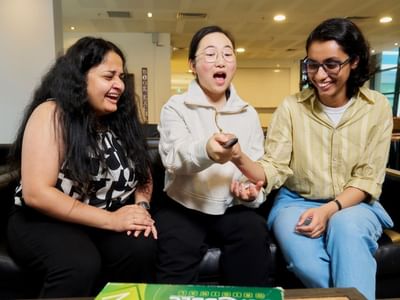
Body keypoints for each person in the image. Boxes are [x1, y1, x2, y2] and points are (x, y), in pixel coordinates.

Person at [230, 18, 393, 299]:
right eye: (312, 64)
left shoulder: (377, 107)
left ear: (353, 62)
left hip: (355, 204)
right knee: (304, 260)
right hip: (296, 202)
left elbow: (368, 178)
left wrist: (329, 211)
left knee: (345, 227)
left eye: (331, 64)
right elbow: (275, 165)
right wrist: (239, 159)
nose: (319, 75)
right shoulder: (291, 107)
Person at [7, 37, 157, 298]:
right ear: (80, 77)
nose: (120, 85)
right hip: (43, 220)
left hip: (97, 221)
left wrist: (141, 209)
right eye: (109, 76)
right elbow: (36, 194)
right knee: (79, 263)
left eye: (121, 77)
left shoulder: (119, 121)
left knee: (141, 247)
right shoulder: (52, 114)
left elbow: (144, 174)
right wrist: (112, 220)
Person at [156, 25, 272, 286]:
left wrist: (252, 193)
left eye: (228, 54)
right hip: (183, 206)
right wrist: (207, 150)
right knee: (175, 261)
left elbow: (256, 167)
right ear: (192, 65)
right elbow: (174, 157)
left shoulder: (248, 113)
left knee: (254, 234)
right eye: (210, 54)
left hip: (232, 208)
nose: (220, 61)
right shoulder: (176, 107)